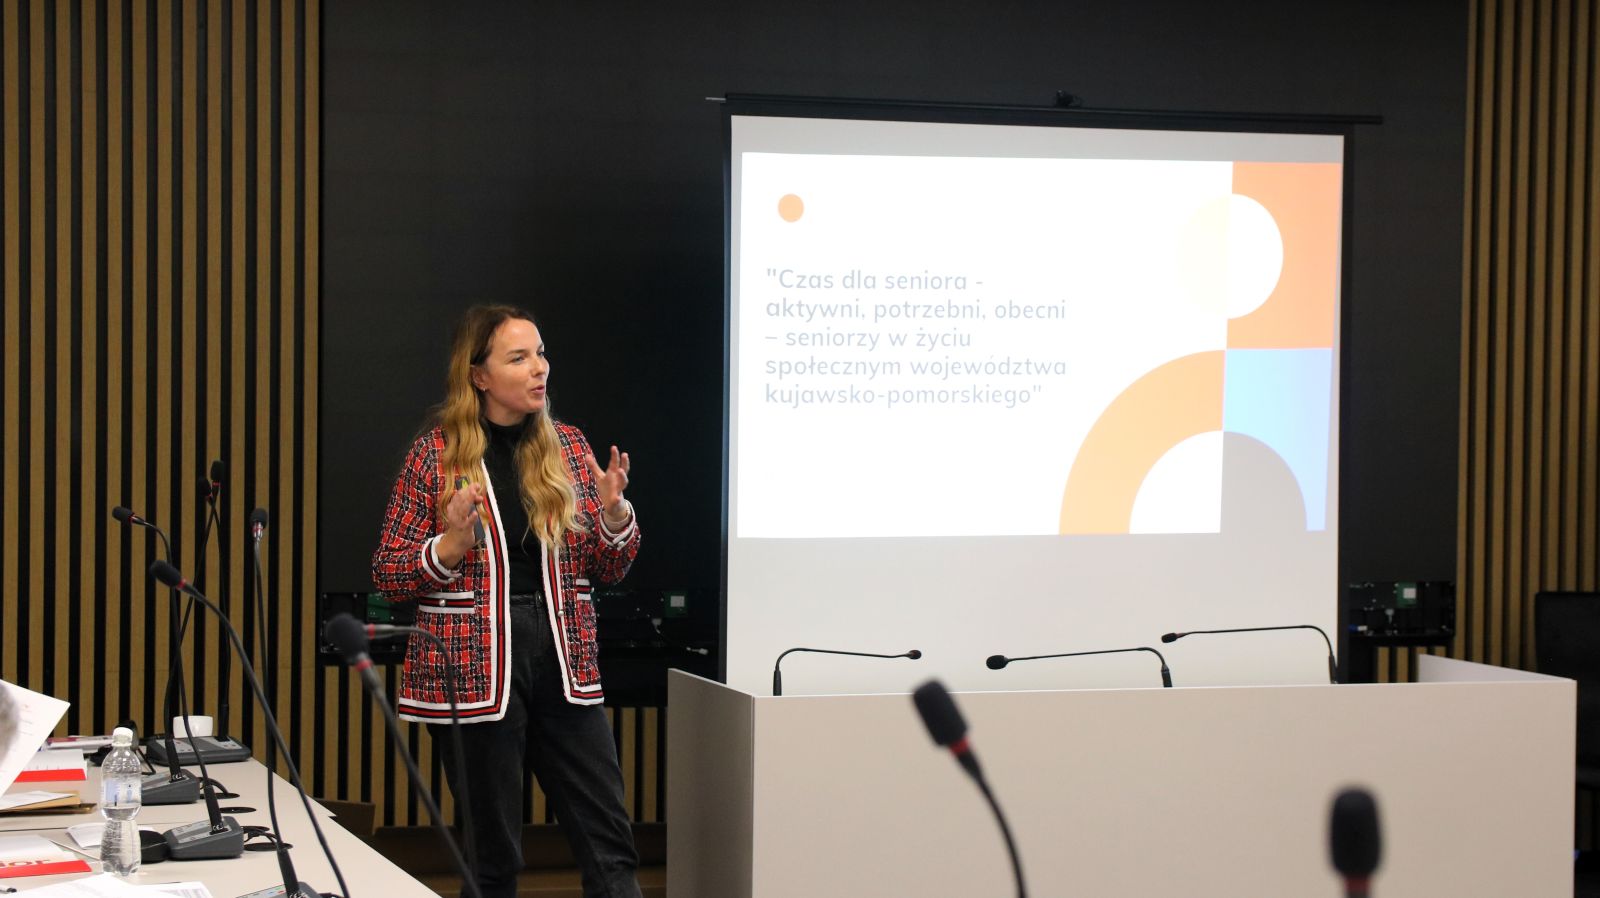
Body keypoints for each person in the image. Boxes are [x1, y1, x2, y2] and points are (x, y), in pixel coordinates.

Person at [372, 305, 642, 898]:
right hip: (474, 666)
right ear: (479, 376)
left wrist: (614, 516)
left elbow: (607, 568)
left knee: (611, 848)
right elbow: (390, 574)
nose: (539, 368)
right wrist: (448, 546)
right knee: (492, 861)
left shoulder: (569, 447)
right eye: (518, 358)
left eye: (540, 354)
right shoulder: (436, 455)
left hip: (563, 658)